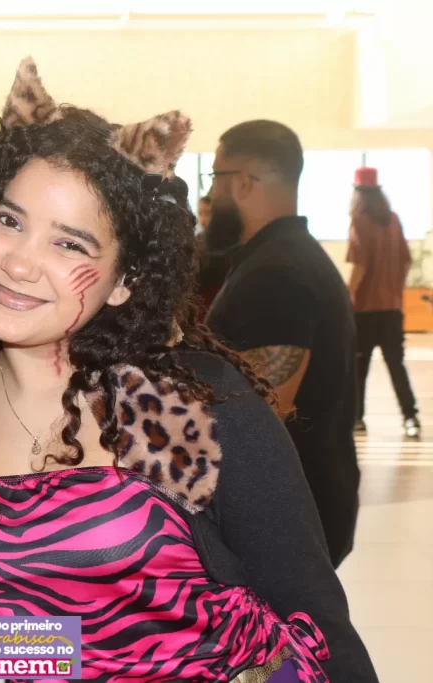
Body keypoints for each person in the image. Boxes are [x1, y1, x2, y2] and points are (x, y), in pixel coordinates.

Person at [0, 60, 376, 682]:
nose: (19, 262)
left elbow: (318, 619)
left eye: (69, 243)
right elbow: (42, 644)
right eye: (9, 221)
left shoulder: (193, 405)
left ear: (124, 281)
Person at [204, 120, 360, 568]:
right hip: (300, 504)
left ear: (243, 182)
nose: (210, 194)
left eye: (215, 178)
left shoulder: (276, 275)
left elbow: (258, 417)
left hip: (280, 522)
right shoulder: (284, 257)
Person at [348, 166, 419, 438]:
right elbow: (407, 261)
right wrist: (393, 291)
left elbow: (360, 266)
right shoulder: (394, 220)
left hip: (364, 311)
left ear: (358, 194)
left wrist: (347, 295)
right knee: (396, 366)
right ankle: (410, 417)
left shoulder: (359, 221)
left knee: (359, 368)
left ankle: (357, 419)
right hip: (391, 309)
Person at [195, 193, 228, 318]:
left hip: (217, 297)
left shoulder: (223, 241)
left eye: (207, 213)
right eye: (200, 213)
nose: (203, 218)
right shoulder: (197, 239)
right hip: (201, 298)